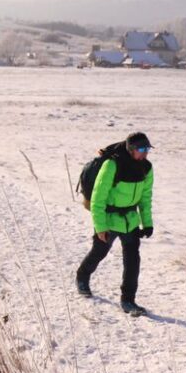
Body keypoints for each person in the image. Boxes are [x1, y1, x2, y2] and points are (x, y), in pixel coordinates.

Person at [75, 132, 154, 316]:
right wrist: (100, 226)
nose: (145, 153)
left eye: (147, 149)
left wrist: (147, 223)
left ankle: (128, 300)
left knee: (133, 260)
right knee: (99, 252)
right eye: (141, 149)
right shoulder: (112, 165)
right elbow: (98, 198)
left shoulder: (147, 168)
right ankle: (82, 276)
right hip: (109, 220)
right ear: (131, 149)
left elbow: (145, 198)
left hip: (130, 221)